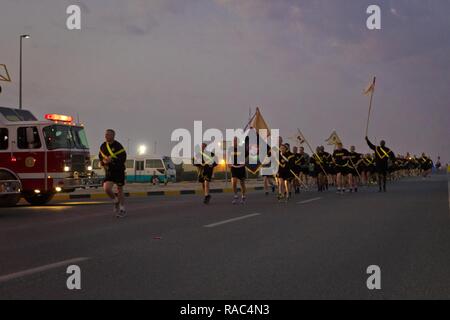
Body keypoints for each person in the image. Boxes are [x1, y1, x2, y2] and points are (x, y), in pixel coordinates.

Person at [99, 129, 127, 217]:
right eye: (106, 134)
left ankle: (122, 208)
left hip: (119, 170)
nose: (106, 136)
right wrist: (104, 162)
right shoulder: (103, 146)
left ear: (113, 136)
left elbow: (123, 158)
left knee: (120, 189)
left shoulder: (118, 146)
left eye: (108, 134)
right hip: (109, 171)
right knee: (106, 188)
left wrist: (113, 160)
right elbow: (101, 158)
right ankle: (115, 201)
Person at [229, 137, 247, 204]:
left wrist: (244, 162)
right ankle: (235, 195)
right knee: (234, 182)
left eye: (236, 140)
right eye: (233, 141)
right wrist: (228, 163)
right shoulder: (230, 149)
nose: (234, 142)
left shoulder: (242, 149)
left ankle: (243, 196)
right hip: (234, 167)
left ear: (238, 141)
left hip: (241, 168)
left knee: (242, 184)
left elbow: (247, 157)